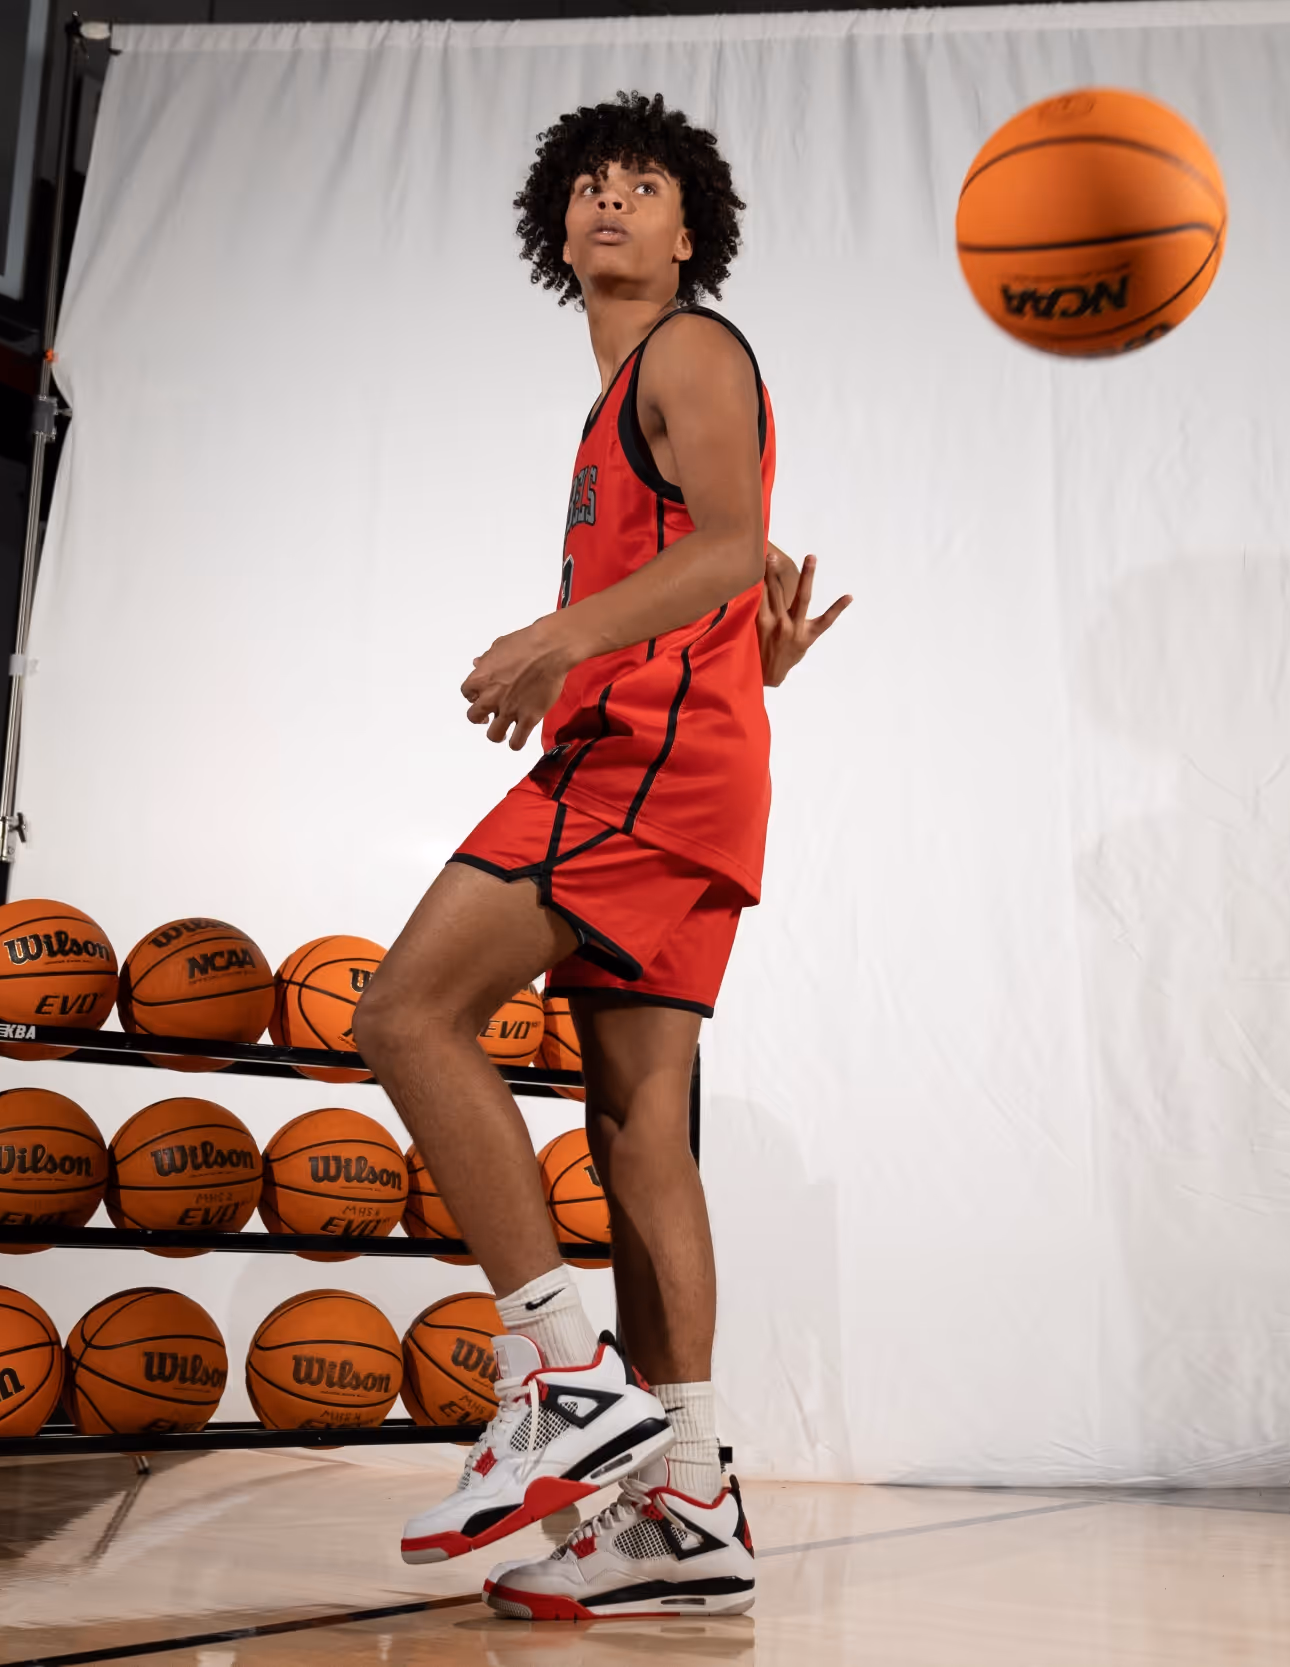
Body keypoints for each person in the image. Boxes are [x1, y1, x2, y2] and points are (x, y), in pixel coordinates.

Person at [354, 91, 848, 1620]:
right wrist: (744, 666)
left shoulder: (691, 347)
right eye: (586, 186)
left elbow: (725, 536)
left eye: (644, 185)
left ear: (693, 230)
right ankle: (687, 1496)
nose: (610, 202)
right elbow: (721, 573)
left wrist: (561, 638)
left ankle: (562, 1374)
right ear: (555, 229)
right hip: (700, 763)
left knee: (406, 1011)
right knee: (642, 1126)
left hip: (638, 765)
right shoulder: (619, 383)